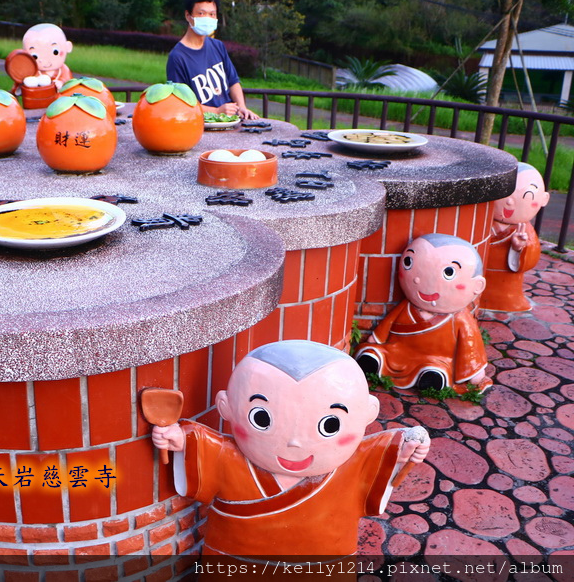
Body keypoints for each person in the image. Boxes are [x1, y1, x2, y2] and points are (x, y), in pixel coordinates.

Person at [152, 340, 429, 564]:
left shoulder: (355, 464)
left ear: (367, 414)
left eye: (329, 425)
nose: (295, 441)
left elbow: (386, 450)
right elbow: (203, 444)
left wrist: (405, 449)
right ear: (226, 407)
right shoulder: (229, 458)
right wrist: (180, 438)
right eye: (261, 418)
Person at [354, 234, 490, 394]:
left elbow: (470, 346)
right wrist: (377, 339)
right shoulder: (407, 307)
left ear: (477, 285)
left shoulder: (461, 319)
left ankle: (433, 378)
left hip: (435, 359)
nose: (420, 280)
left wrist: (475, 372)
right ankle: (374, 361)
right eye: (408, 262)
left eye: (449, 272)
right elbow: (388, 324)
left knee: (435, 368)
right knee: (377, 353)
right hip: (397, 351)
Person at [167, 0, 259, 120]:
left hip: (230, 121)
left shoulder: (218, 46)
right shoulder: (177, 57)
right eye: (201, 13)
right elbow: (180, 104)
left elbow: (233, 82)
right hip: (201, 126)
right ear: (188, 16)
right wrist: (216, 111)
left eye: (212, 14)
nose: (208, 18)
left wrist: (242, 107)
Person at [480, 162, 550, 312]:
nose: (510, 201)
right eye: (504, 195)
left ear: (544, 200)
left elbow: (531, 259)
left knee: (505, 298)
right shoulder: (481, 222)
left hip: (506, 286)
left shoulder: (525, 231)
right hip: (479, 280)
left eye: (527, 195)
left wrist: (518, 248)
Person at [22, 24, 73, 90]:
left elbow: (69, 82)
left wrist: (62, 82)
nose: (45, 60)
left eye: (55, 52)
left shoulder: (64, 70)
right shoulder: (33, 72)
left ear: (68, 47)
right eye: (34, 56)